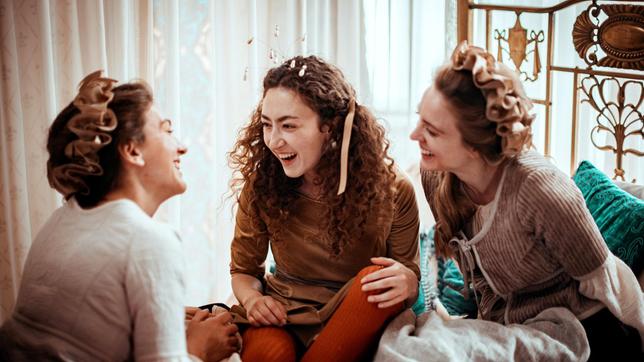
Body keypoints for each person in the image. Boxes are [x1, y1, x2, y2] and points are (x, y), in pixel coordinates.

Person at [406, 42, 643, 360]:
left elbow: (607, 278)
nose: (414, 135)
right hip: (506, 331)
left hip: (577, 330)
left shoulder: (539, 190)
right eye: (420, 119)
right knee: (410, 345)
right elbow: (477, 278)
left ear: (474, 146)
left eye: (432, 131)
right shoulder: (435, 176)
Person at [0, 71, 239, 361]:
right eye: (166, 130)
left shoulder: (61, 221)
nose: (182, 146)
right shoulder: (149, 241)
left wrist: (164, 316)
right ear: (132, 151)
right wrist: (200, 348)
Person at [228, 55, 421, 361]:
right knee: (270, 354)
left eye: (288, 126)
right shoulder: (262, 184)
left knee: (376, 278)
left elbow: (407, 276)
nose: (274, 141)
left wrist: (408, 282)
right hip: (285, 311)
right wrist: (253, 300)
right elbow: (243, 270)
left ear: (329, 127)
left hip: (357, 310)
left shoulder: (394, 189)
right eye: (267, 125)